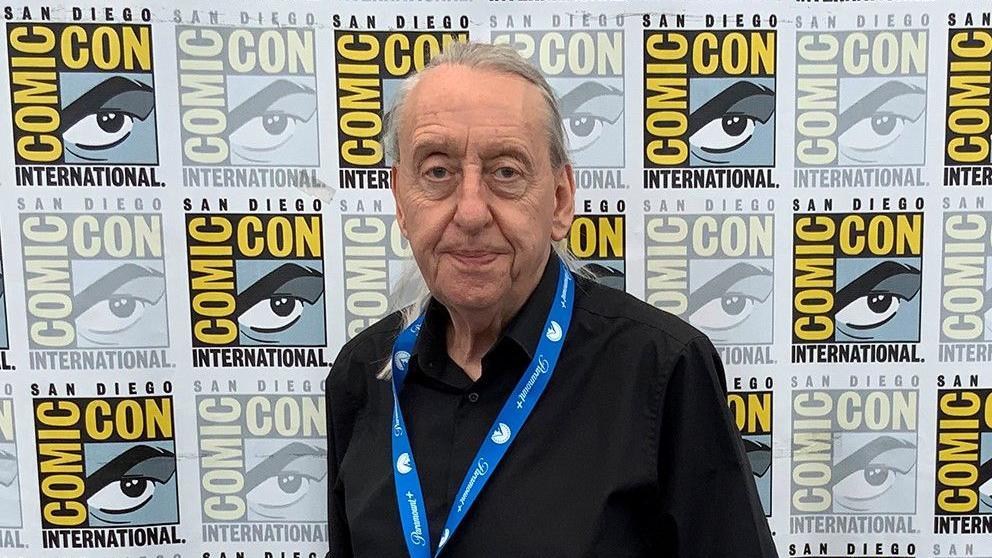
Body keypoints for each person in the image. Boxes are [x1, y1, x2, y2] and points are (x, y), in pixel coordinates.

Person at [325, 41, 777, 558]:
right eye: (438, 171)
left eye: (506, 172)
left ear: (560, 201)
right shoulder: (361, 375)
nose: (471, 212)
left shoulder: (661, 371)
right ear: (401, 201)